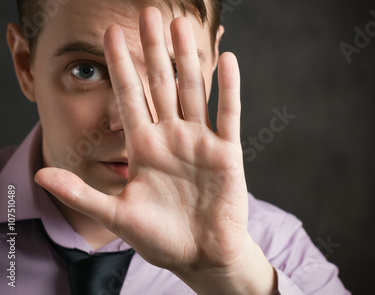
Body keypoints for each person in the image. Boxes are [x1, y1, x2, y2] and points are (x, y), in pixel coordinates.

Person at [0, 0, 350, 294]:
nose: (129, 124)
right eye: (87, 70)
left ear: (213, 58)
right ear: (25, 65)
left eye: (172, 70)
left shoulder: (278, 253)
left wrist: (230, 278)